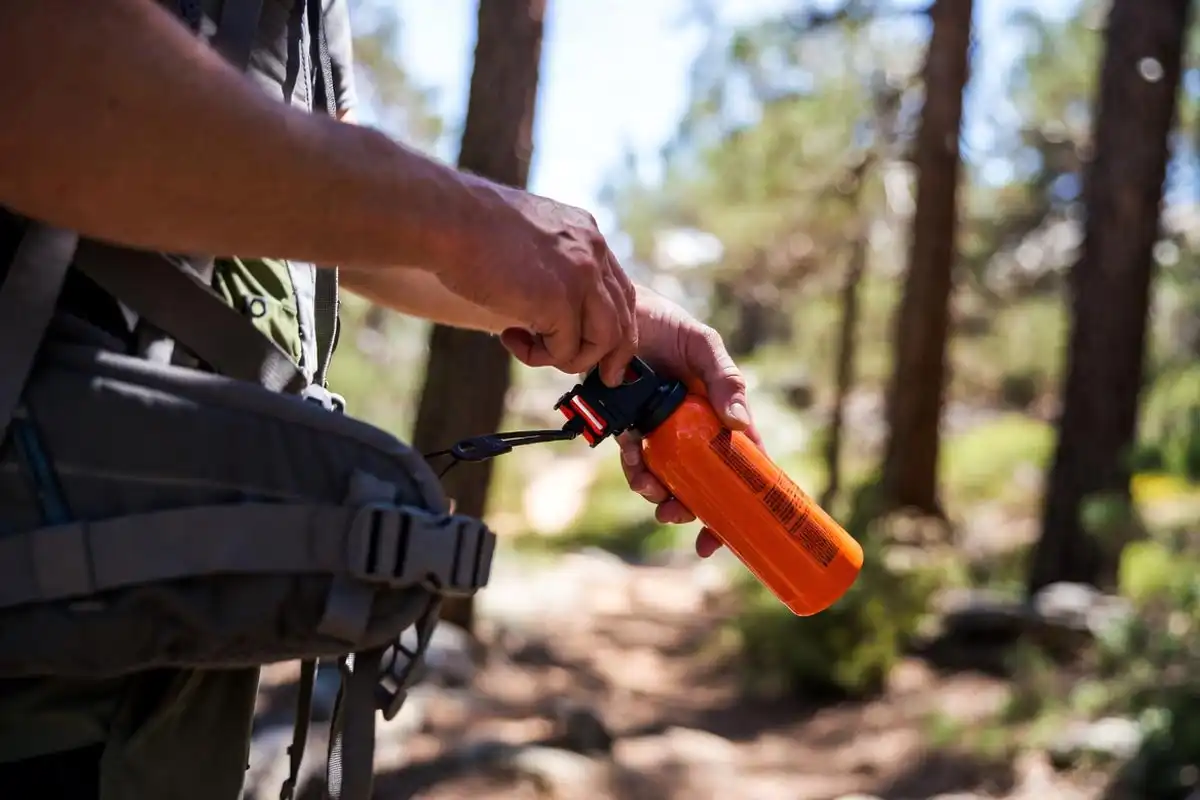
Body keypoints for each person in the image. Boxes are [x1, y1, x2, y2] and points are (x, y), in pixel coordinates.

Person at [0, 1, 762, 798]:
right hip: (37, 633)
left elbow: (311, 191)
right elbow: (38, 67)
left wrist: (619, 317)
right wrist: (464, 221)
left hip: (169, 645)